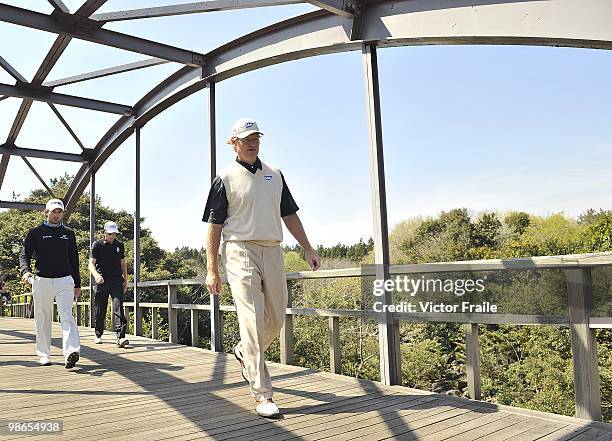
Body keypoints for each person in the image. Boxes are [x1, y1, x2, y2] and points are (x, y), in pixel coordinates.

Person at [203, 118, 320, 418]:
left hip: (273, 250)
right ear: (234, 143)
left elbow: (289, 214)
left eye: (256, 138)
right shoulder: (225, 178)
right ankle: (262, 394)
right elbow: (214, 226)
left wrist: (307, 247)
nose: (253, 143)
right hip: (240, 250)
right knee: (253, 321)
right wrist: (212, 269)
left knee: (277, 318)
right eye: (246, 138)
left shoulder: (275, 174)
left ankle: (244, 351)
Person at [19, 198, 81, 368]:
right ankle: (44, 354)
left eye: (59, 211)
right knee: (43, 318)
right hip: (42, 281)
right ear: (46, 212)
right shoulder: (35, 232)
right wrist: (25, 271)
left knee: (67, 315)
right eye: (53, 211)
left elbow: (74, 259)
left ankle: (71, 352)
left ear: (63, 213)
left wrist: (77, 284)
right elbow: (24, 255)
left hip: (65, 280)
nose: (56, 214)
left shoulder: (69, 233)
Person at [88, 221, 129, 348]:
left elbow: (123, 263)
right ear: (104, 233)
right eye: (110, 233)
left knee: (118, 306)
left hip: (117, 280)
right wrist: (96, 275)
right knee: (100, 309)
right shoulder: (97, 245)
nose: (112, 236)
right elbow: (91, 264)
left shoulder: (120, 245)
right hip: (102, 280)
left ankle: (121, 337)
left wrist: (126, 280)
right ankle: (98, 334)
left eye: (114, 234)